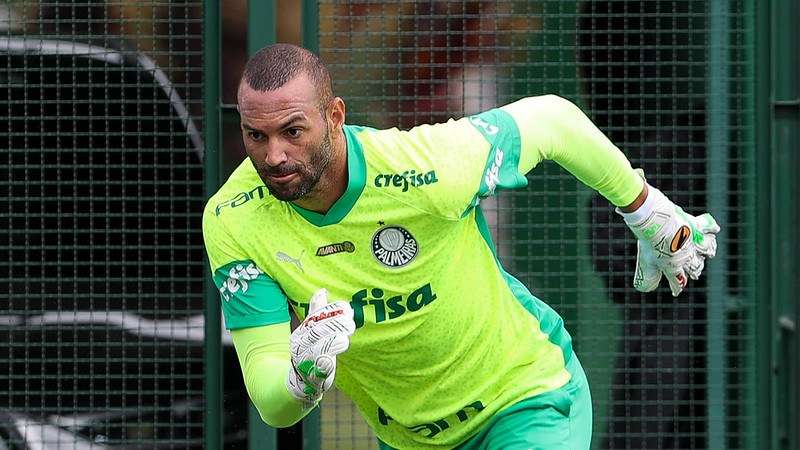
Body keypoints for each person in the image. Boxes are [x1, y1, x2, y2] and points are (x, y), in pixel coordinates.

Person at [202, 43, 720, 450]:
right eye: (255, 136)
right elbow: (271, 401)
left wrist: (646, 210)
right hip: (410, 439)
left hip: (524, 399)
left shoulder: (426, 168)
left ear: (335, 115)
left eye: (293, 130)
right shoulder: (234, 220)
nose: (274, 155)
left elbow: (553, 120)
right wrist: (302, 376)